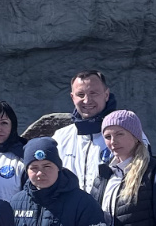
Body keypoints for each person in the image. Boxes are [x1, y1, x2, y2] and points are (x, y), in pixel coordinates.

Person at [52, 70, 146, 199]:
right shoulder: (60, 137)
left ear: (106, 95)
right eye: (80, 94)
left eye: (93, 93)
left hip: (114, 209)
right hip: (70, 210)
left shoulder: (128, 132)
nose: (87, 100)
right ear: (72, 98)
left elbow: (145, 173)